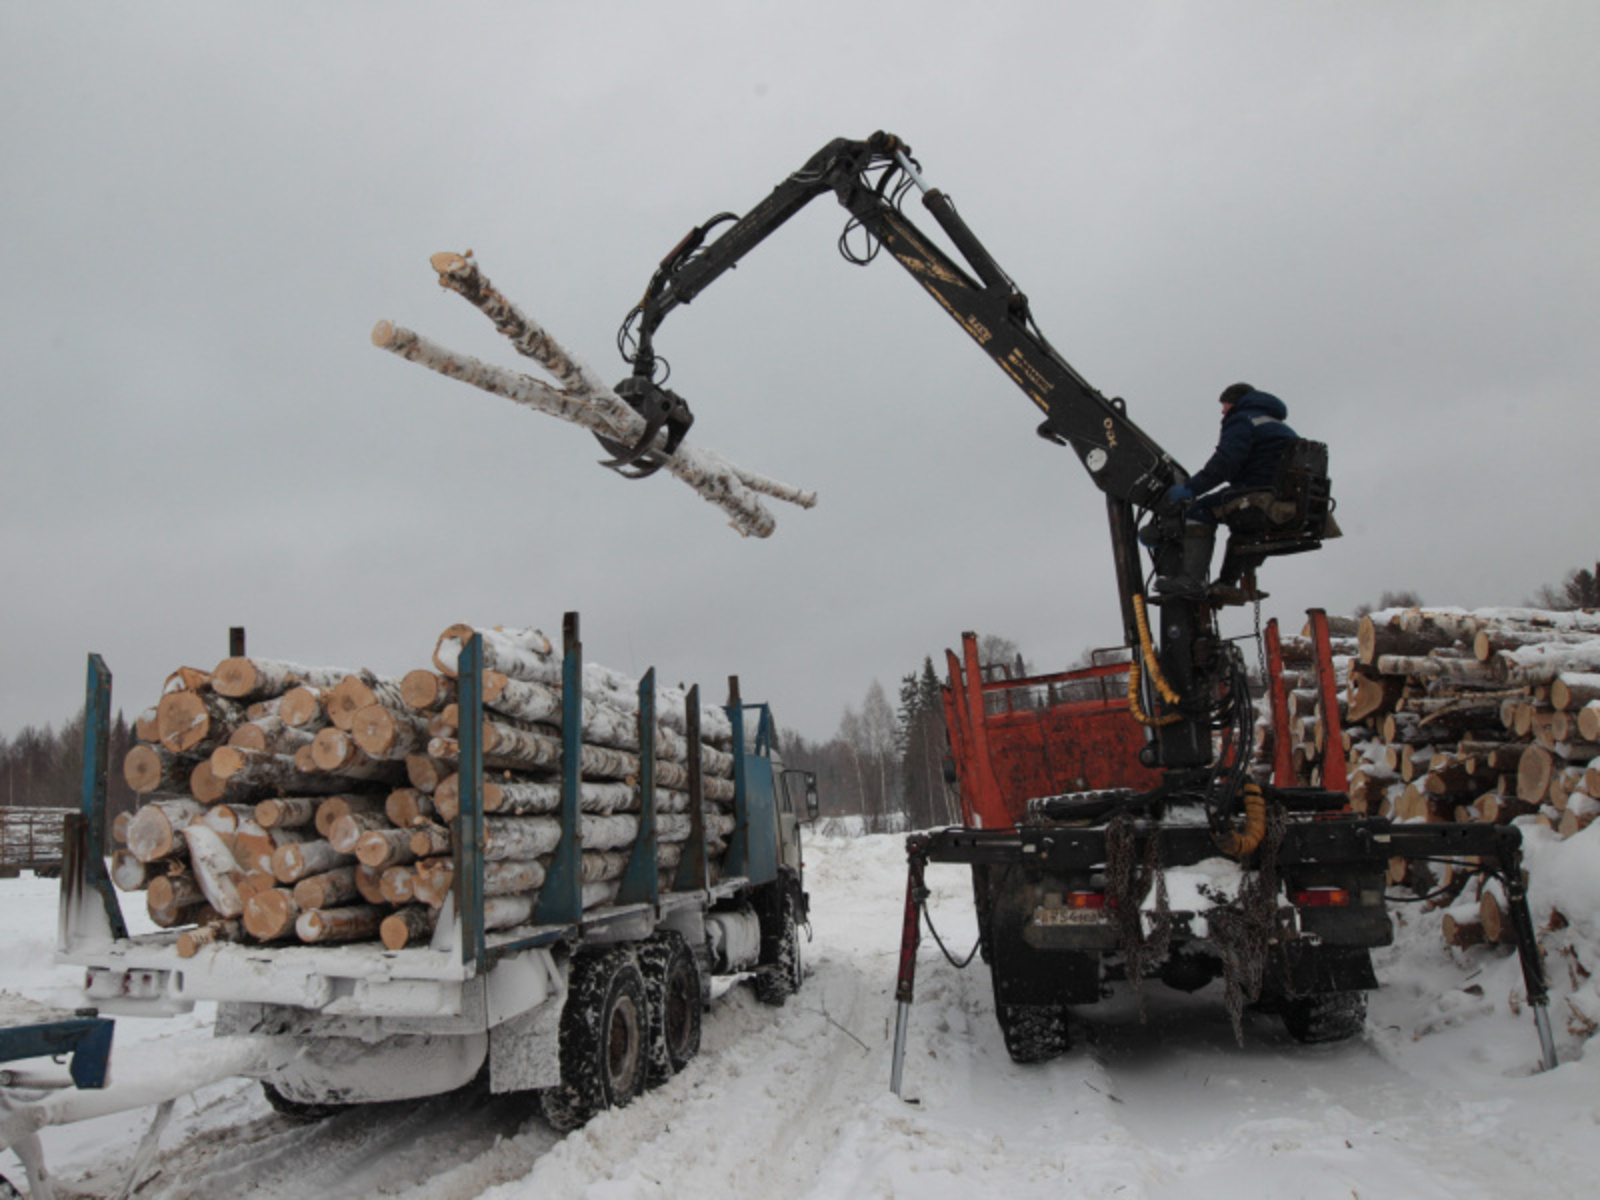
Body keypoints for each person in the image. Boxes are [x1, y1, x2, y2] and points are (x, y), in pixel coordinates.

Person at [1156, 382, 1298, 595]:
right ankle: (1227, 582)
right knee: (1239, 523)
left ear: (1236, 402)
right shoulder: (1279, 425)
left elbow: (1225, 463)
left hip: (1257, 493)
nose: (1222, 411)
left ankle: (1191, 580)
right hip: (1281, 494)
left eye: (1225, 404)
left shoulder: (1241, 419)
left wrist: (1191, 489)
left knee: (1199, 511)